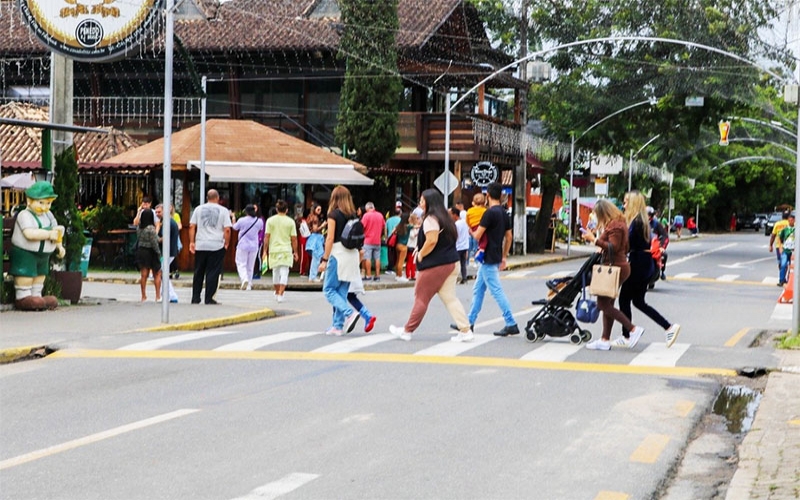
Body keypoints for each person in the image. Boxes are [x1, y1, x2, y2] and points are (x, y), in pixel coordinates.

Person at [390, 189, 472, 342]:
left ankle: (407, 330)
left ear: (429, 202)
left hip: (436, 265)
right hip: (452, 262)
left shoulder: (430, 219)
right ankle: (465, 330)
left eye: (422, 201)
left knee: (421, 297)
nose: (420, 204)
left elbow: (432, 240)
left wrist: (420, 254)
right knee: (450, 298)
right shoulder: (446, 218)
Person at [616, 192, 681, 349]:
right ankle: (668, 327)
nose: (623, 206)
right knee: (638, 301)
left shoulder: (636, 222)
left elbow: (628, 243)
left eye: (625, 202)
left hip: (639, 264)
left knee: (624, 298)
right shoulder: (643, 221)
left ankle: (627, 335)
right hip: (645, 264)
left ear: (632, 204)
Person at [580, 198, 643, 350]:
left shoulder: (614, 225)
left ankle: (633, 329)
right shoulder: (620, 223)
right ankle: (604, 339)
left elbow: (613, 247)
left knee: (602, 304)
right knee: (608, 303)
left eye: (597, 214)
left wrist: (594, 240)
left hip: (614, 267)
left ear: (603, 212)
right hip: (619, 266)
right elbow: (623, 247)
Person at [464, 182, 519, 336]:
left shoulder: (488, 214)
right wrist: (504, 256)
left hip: (487, 255)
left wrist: (469, 230)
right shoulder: (503, 213)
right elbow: (509, 237)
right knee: (478, 289)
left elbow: (477, 235)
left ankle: (510, 322)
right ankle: (469, 322)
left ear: (487, 195)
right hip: (495, 254)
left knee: (496, 290)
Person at [8, 181, 65, 310]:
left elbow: (56, 231)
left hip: (43, 255)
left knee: (40, 276)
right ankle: (23, 297)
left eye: (48, 203)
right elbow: (29, 233)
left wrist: (59, 246)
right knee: (26, 275)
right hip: (26, 254)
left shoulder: (49, 216)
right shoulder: (24, 215)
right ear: (29, 201)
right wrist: (49, 235)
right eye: (41, 203)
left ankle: (36, 296)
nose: (45, 207)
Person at [317, 186, 361, 336]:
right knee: (341, 291)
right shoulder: (354, 215)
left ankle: (349, 313)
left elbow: (330, 238)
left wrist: (324, 259)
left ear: (334, 198)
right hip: (352, 255)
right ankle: (337, 325)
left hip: (338, 254)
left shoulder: (333, 214)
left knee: (328, 290)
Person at [188, 189, 232, 305]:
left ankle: (195, 297)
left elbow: (192, 226)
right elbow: (227, 229)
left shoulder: (198, 209)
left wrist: (192, 242)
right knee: (213, 272)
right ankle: (209, 298)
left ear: (207, 198)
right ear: (217, 198)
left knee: (198, 272)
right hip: (216, 244)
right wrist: (226, 242)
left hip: (201, 243)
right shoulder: (223, 211)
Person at [263, 200, 298, 303]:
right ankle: (281, 293)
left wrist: (265, 251)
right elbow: (294, 238)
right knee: (284, 273)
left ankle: (277, 291)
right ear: (287, 210)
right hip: (286, 250)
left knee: (275, 272)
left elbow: (267, 237)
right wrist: (295, 252)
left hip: (274, 250)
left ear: (276, 209)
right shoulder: (290, 222)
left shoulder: (270, 221)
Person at [232, 204, 264, 291]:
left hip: (243, 245)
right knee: (250, 266)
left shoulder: (242, 220)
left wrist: (233, 218)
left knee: (241, 263)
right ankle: (249, 284)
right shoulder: (259, 221)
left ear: (246, 211)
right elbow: (260, 229)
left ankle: (244, 279)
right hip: (254, 245)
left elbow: (234, 227)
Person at [135, 209, 162, 302]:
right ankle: (158, 296)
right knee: (157, 273)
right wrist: (158, 252)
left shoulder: (139, 228)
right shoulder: (151, 228)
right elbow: (154, 241)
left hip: (141, 250)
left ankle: (143, 296)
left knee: (143, 275)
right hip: (151, 251)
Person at [155, 204, 179, 303]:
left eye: (159, 212)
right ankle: (171, 295)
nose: (157, 214)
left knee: (160, 273)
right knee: (163, 273)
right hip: (168, 251)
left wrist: (155, 237)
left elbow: (164, 238)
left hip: (168, 252)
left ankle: (168, 295)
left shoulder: (167, 223)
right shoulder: (166, 222)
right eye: (156, 212)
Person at [360, 202, 386, 281]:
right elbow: (383, 226)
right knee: (377, 258)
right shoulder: (380, 215)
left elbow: (362, 227)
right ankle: (377, 276)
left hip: (367, 240)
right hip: (377, 240)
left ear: (367, 208)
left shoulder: (366, 215)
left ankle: (368, 275)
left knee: (367, 258)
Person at [306, 203, 326, 282]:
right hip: (316, 238)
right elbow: (315, 229)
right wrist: (323, 225)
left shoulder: (310, 217)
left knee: (316, 258)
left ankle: (312, 276)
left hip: (314, 237)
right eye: (318, 209)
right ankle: (313, 276)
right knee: (316, 258)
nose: (320, 211)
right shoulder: (314, 218)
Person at [647, 206, 669, 280]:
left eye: (649, 214)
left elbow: (665, 236)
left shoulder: (656, 224)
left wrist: (662, 247)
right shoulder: (638, 223)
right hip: (642, 247)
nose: (647, 216)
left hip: (654, 247)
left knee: (664, 255)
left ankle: (662, 271)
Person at [769, 210, 791, 282]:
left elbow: (773, 235)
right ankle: (783, 276)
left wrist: (770, 245)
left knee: (781, 262)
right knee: (787, 262)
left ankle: (782, 276)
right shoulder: (791, 223)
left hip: (779, 246)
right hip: (789, 246)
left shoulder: (777, 224)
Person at [466, 192, 487, 264]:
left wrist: (470, 227)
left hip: (473, 227)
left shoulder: (469, 211)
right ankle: (480, 253)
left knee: (476, 243)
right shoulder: (485, 210)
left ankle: (477, 255)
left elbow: (467, 220)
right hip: (482, 226)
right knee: (484, 241)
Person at [451, 207, 470, 284]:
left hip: (458, 246)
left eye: (451, 214)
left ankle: (454, 279)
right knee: (463, 263)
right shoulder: (465, 222)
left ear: (455, 215)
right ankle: (464, 278)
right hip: (465, 246)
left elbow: (456, 235)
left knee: (456, 264)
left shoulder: (456, 224)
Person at [778, 211, 796, 286]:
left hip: (794, 251)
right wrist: (780, 247)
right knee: (783, 264)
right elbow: (779, 238)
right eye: (789, 220)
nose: (790, 222)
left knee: (792, 266)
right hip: (786, 249)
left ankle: (790, 280)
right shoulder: (785, 229)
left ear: (794, 220)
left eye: (791, 220)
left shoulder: (796, 229)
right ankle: (781, 280)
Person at [392, 212, 410, 281]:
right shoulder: (408, 227)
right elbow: (417, 226)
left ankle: (397, 275)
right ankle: (400, 276)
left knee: (397, 260)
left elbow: (393, 232)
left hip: (397, 245)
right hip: (404, 246)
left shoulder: (398, 226)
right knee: (401, 262)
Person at [385, 206, 402, 274]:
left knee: (390, 253)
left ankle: (390, 267)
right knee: (396, 253)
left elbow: (385, 230)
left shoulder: (388, 220)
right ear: (400, 213)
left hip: (390, 238)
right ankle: (394, 266)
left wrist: (386, 238)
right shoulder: (400, 220)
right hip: (397, 238)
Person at [297, 208, 311, 276]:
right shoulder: (303, 222)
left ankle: (309, 271)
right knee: (304, 256)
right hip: (304, 240)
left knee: (310, 256)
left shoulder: (308, 222)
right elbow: (305, 234)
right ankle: (302, 271)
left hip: (309, 240)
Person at [405, 212, 420, 280]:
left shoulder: (415, 227)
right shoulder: (411, 227)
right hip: (411, 245)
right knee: (410, 261)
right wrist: (417, 233)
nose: (418, 219)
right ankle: (409, 274)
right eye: (417, 218)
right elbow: (412, 236)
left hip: (414, 246)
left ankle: (413, 274)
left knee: (413, 261)